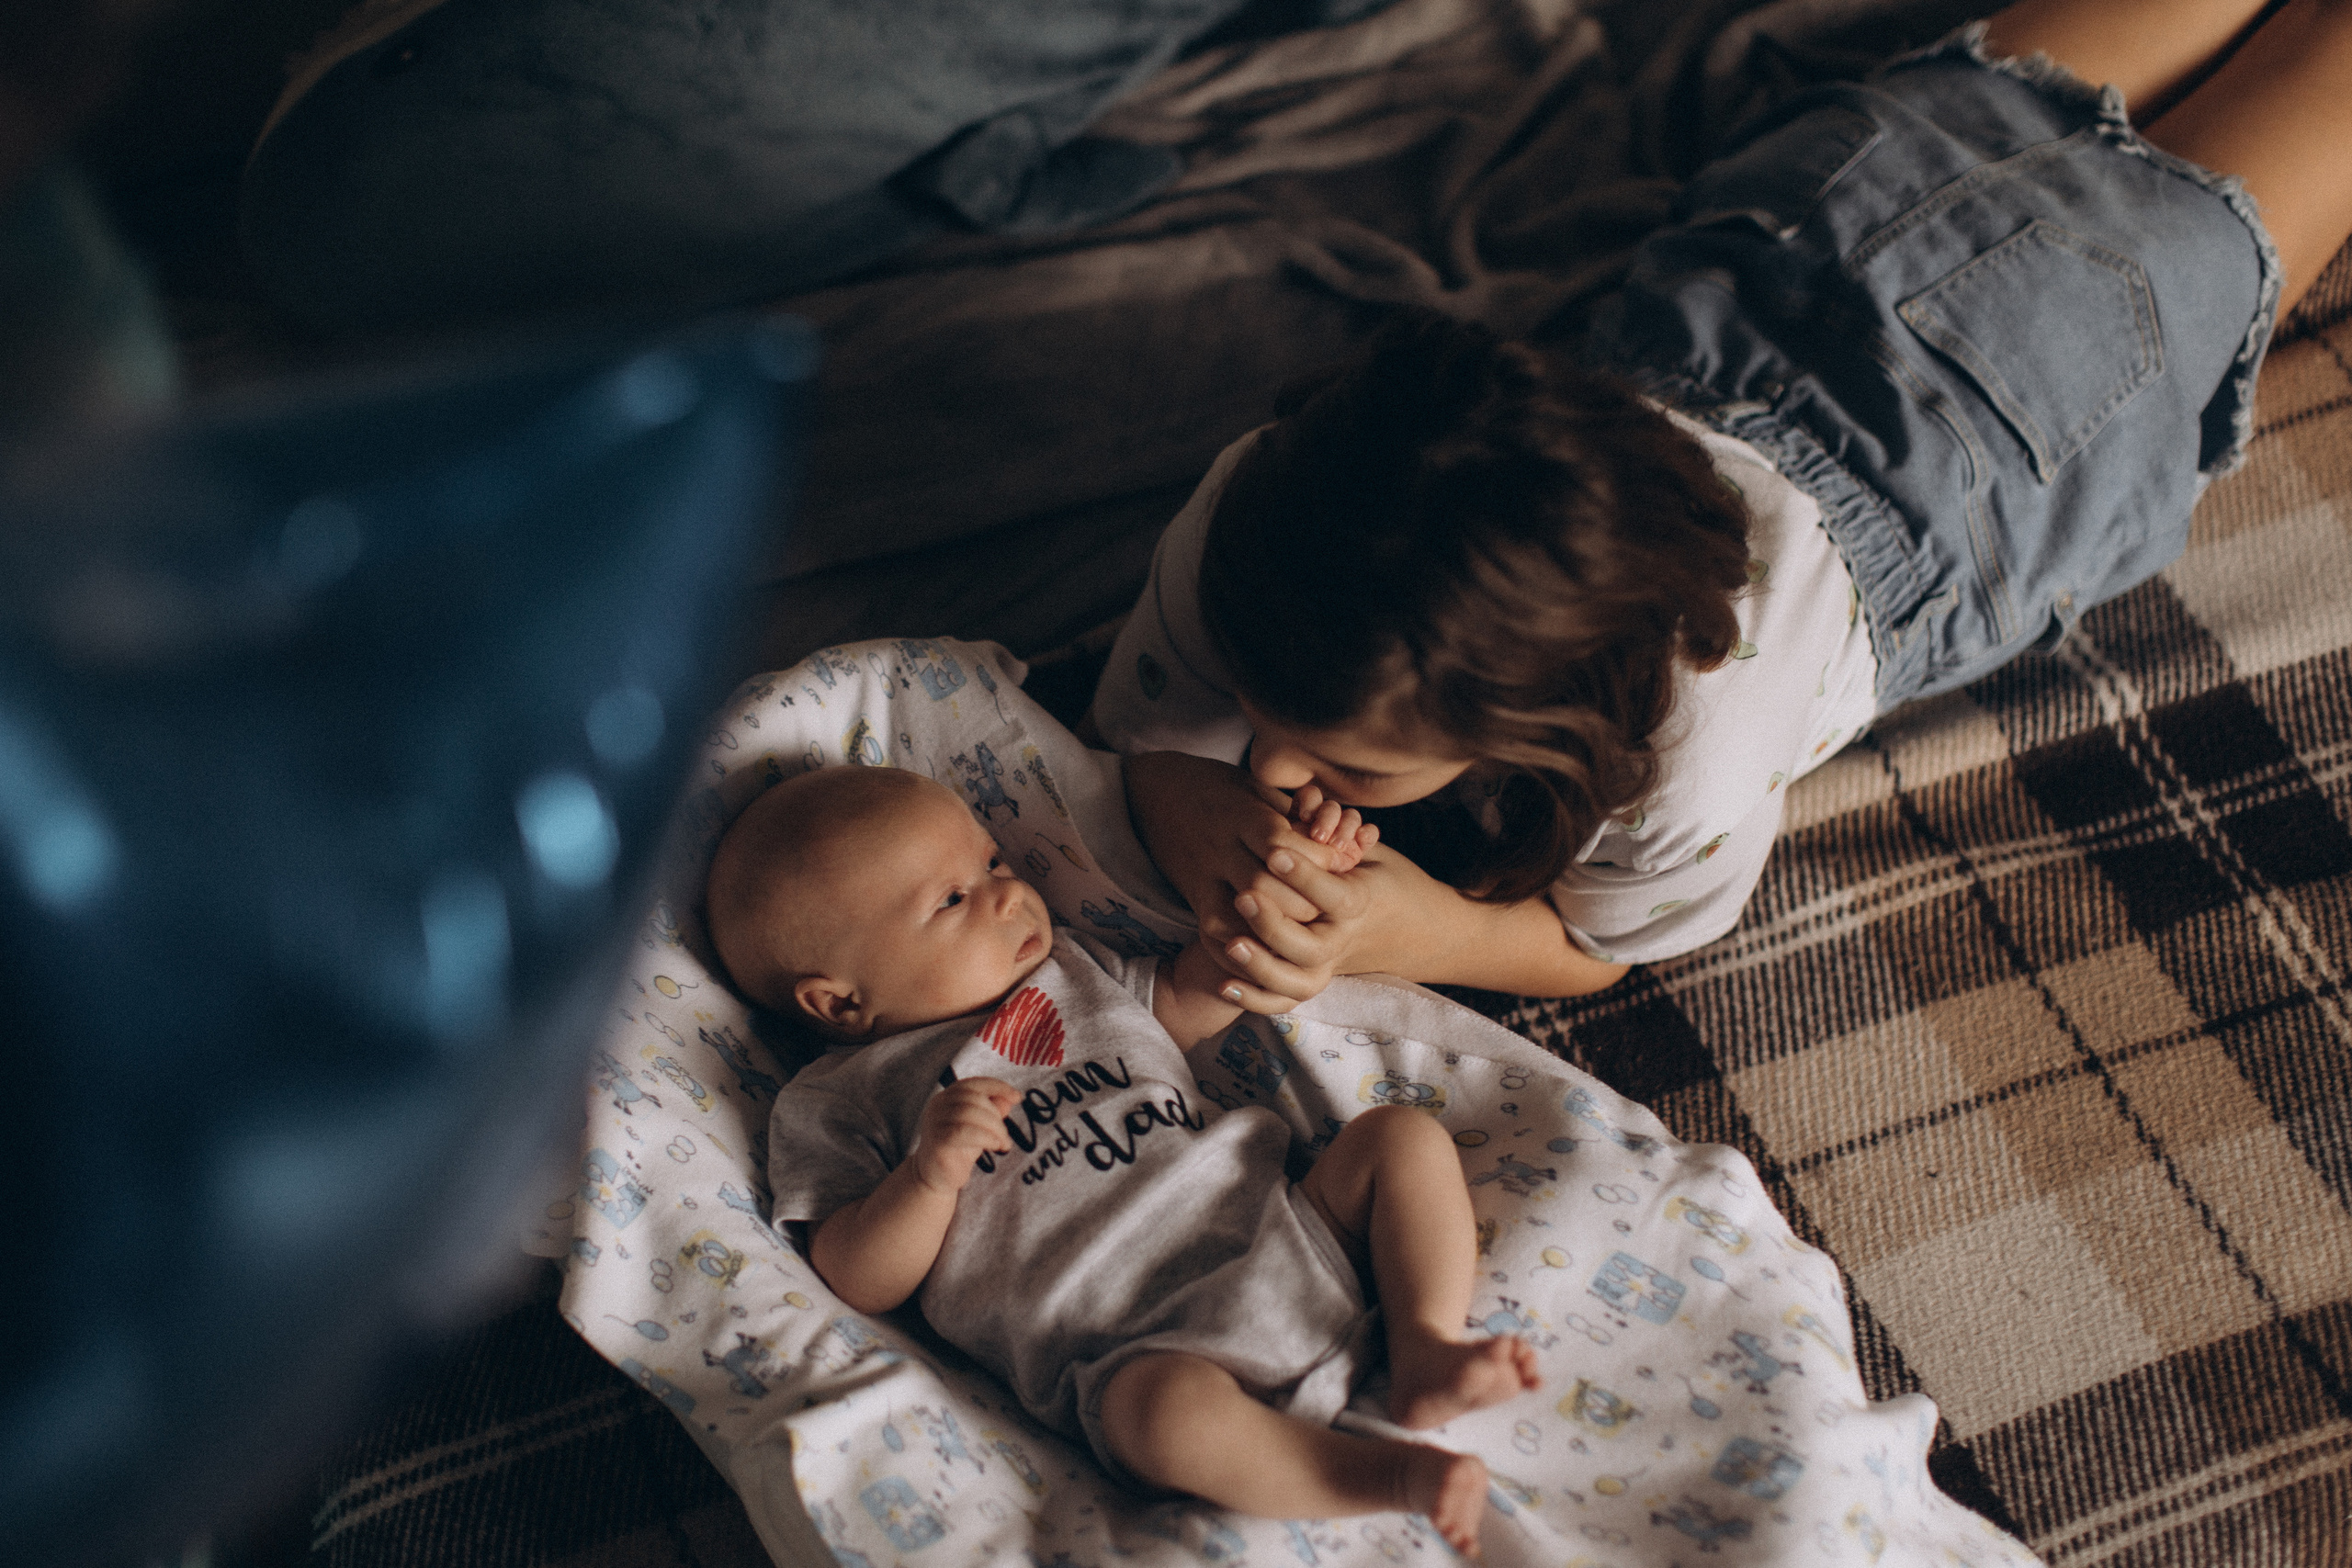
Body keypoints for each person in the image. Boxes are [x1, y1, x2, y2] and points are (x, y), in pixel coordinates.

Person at [1088, 0, 2352, 997]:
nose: (1275, 756)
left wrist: (1420, 935)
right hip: (1850, 213)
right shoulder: (1266, 506)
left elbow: (1600, 948)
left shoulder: (1686, 754)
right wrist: (1188, 792)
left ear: (1542, 714)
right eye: (1267, 712)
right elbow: (1153, 727)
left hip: (2059, 376)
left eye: (1349, 756)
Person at [705, 764, 1541, 1557]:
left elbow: (1187, 999)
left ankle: (1426, 1342)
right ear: (840, 1000)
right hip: (1140, 1345)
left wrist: (1291, 892)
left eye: (992, 860)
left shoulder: (1070, 970)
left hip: (1283, 1228)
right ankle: (1375, 1474)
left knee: (1397, 1138)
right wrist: (929, 1174)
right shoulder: (840, 1097)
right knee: (1160, 1418)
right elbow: (854, 1274)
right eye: (954, 899)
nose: (1006, 893)